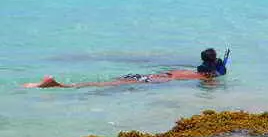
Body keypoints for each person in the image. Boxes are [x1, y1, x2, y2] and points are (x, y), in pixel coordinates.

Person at [24, 47, 231, 88]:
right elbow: (212, 80)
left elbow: (211, 71)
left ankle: (54, 85)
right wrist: (221, 70)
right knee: (107, 84)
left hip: (153, 76)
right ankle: (61, 86)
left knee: (108, 82)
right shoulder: (205, 77)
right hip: (157, 80)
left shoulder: (198, 71)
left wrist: (218, 66)